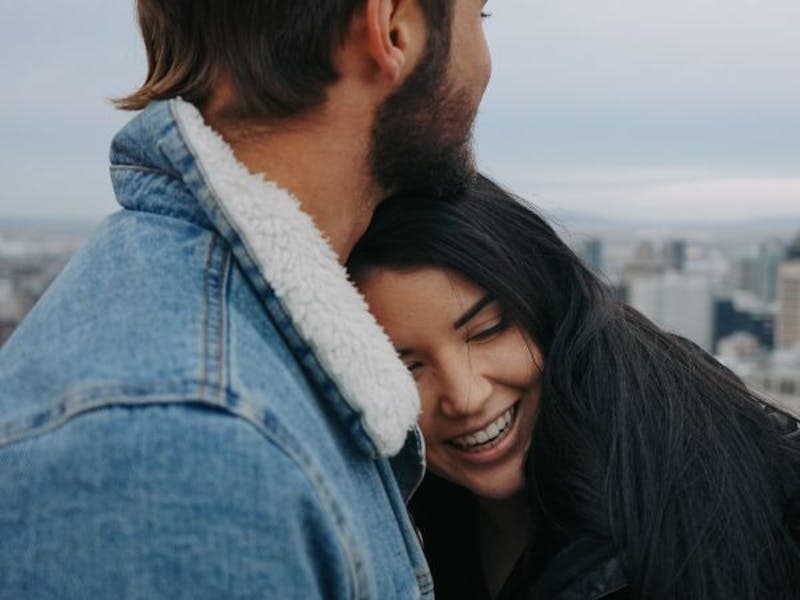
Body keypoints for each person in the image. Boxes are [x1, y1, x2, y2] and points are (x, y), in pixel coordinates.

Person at [0, 1, 492, 597]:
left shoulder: (222, 381)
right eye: (481, 17)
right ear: (391, 27)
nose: (485, 62)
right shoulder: (189, 450)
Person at [349, 176, 800, 599]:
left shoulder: (740, 493)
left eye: (487, 331)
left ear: (549, 307)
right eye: (405, 365)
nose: (466, 396)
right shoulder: (392, 525)